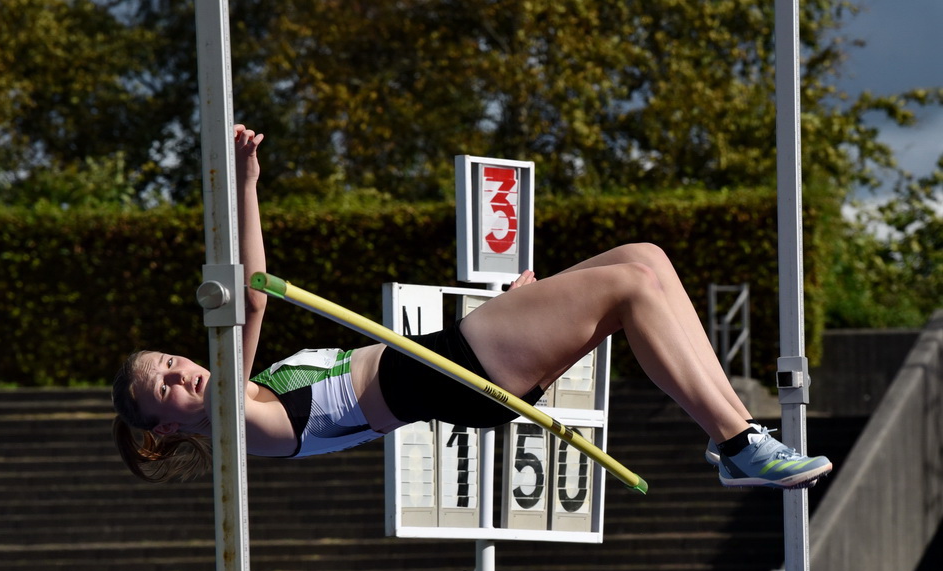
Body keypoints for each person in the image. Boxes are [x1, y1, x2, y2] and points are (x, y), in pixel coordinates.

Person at [111, 125, 832, 489]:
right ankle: (738, 444)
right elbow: (252, 295)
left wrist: (509, 311)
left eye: (174, 362)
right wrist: (246, 184)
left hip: (448, 361)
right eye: (167, 387)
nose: (185, 375)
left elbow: (258, 301)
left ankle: (730, 440)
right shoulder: (243, 426)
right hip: (446, 372)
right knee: (633, 286)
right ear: (166, 429)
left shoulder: (255, 391)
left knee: (643, 261)